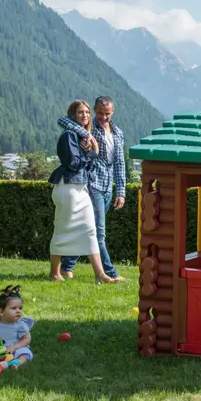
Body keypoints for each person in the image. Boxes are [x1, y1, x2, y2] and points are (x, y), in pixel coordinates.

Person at [57, 95, 126, 282]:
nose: (104, 117)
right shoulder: (88, 127)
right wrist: (87, 135)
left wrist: (120, 192)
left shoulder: (118, 132)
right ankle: (109, 273)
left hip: (107, 186)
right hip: (92, 183)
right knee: (98, 232)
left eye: (108, 114)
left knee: (88, 229)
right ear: (95, 111)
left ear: (113, 112)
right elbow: (62, 120)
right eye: (101, 113)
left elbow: (119, 164)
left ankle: (66, 266)